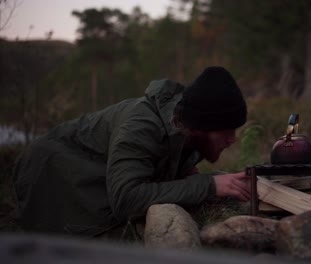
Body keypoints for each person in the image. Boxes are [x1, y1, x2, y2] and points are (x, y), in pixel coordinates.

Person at [13, 66, 251, 238]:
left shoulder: (186, 129)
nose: (232, 139)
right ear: (200, 127)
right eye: (225, 130)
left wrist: (196, 178)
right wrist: (209, 186)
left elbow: (153, 174)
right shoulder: (140, 127)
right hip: (52, 174)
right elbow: (126, 199)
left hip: (87, 172)